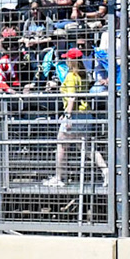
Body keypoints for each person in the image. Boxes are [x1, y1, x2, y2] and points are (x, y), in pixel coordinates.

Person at [45, 49, 96, 188]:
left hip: (74, 115)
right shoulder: (83, 75)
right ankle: (106, 170)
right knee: (85, 146)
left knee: (61, 144)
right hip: (85, 113)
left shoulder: (71, 76)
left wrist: (68, 116)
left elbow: (72, 97)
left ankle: (59, 177)